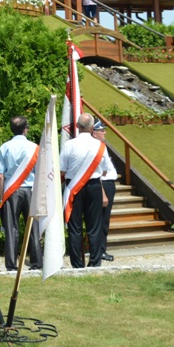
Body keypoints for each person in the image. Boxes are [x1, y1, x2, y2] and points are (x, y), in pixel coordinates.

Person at [60, 112, 110, 268]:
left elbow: (62, 170)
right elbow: (105, 171)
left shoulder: (69, 145)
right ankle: (94, 263)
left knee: (75, 228)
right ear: (92, 127)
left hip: (73, 188)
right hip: (93, 186)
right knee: (94, 227)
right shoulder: (100, 146)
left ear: (77, 126)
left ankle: (77, 265)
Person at [0, 116, 42, 272]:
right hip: (30, 191)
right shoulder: (35, 148)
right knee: (33, 228)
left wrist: (2, 197)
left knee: (11, 229)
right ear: (25, 129)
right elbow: (39, 173)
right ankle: (36, 263)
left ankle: (11, 265)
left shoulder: (4, 147)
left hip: (11, 191)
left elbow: (0, 176)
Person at [92, 121, 118, 262]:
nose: (104, 132)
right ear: (94, 133)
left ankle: (100, 249)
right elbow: (100, 172)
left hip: (108, 183)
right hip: (103, 184)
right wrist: (103, 192)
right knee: (102, 220)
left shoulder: (101, 146)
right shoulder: (97, 147)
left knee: (103, 220)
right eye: (101, 130)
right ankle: (100, 250)